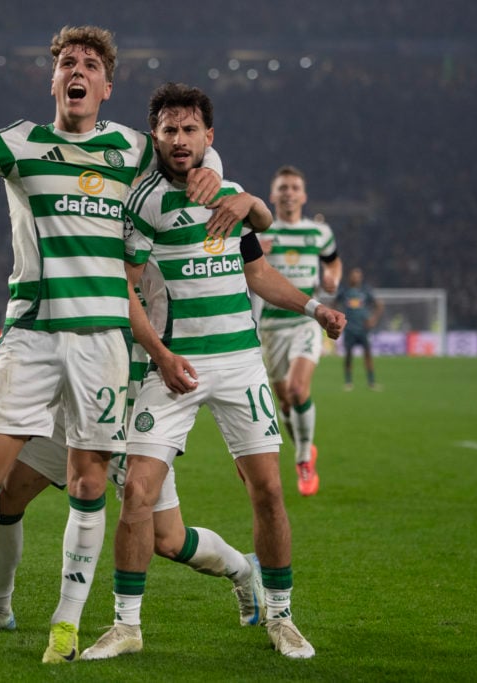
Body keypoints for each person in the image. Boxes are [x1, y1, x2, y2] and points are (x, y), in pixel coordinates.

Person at [0, 25, 238, 664]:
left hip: (105, 346)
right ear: (53, 79)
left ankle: (65, 622)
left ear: (107, 87)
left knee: (89, 488)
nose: (76, 72)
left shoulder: (134, 149)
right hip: (29, 336)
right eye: (66, 64)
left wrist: (223, 184)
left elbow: (195, 157)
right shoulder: (20, 143)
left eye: (89, 65)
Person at [81, 83, 344, 662]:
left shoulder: (228, 194)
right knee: (140, 496)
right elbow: (124, 289)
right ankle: (126, 626)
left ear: (209, 136)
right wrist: (160, 354)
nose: (180, 139)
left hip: (240, 363)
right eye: (169, 130)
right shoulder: (143, 202)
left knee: (269, 490)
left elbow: (257, 273)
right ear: (156, 136)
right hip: (173, 366)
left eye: (190, 129)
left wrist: (311, 307)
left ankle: (281, 616)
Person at [253, 166, 343, 497]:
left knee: (296, 388)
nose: (289, 192)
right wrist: (250, 254)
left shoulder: (318, 233)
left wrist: (333, 278)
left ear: (303, 195)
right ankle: (305, 448)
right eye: (283, 188)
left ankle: (304, 456)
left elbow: (332, 261)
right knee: (286, 403)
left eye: (294, 187)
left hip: (306, 320)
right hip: (271, 327)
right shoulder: (260, 231)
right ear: (273, 195)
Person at [335, 267, 384, 391]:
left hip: (363, 328)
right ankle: (348, 382)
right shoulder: (344, 291)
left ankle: (372, 382)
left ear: (361, 277)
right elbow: (334, 304)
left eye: (358, 275)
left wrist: (373, 319)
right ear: (350, 277)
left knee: (368, 354)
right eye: (354, 275)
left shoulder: (365, 291)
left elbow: (379, 305)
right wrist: (337, 318)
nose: (356, 278)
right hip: (349, 328)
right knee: (348, 355)